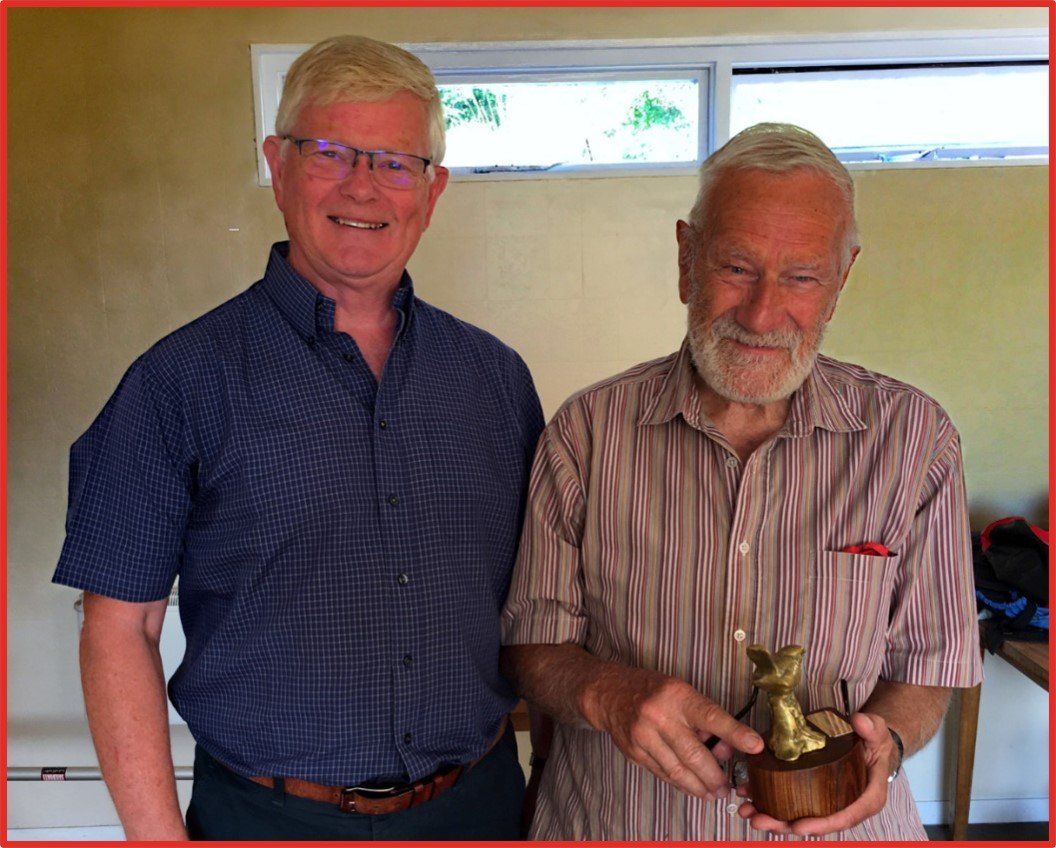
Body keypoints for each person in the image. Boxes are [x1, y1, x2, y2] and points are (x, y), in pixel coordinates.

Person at [53, 35, 543, 841]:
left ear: (432, 189)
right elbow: (119, 626)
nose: (363, 185)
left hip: (480, 807)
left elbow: (537, 611)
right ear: (278, 165)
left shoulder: (495, 380)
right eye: (330, 152)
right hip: (268, 817)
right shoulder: (176, 383)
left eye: (394, 161)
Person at [500, 123, 982, 841]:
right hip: (617, 823)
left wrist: (890, 745)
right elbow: (530, 645)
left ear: (841, 278)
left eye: (801, 276)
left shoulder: (916, 440)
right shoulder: (587, 432)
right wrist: (608, 692)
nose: (761, 314)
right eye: (735, 267)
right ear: (686, 259)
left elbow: (931, 661)